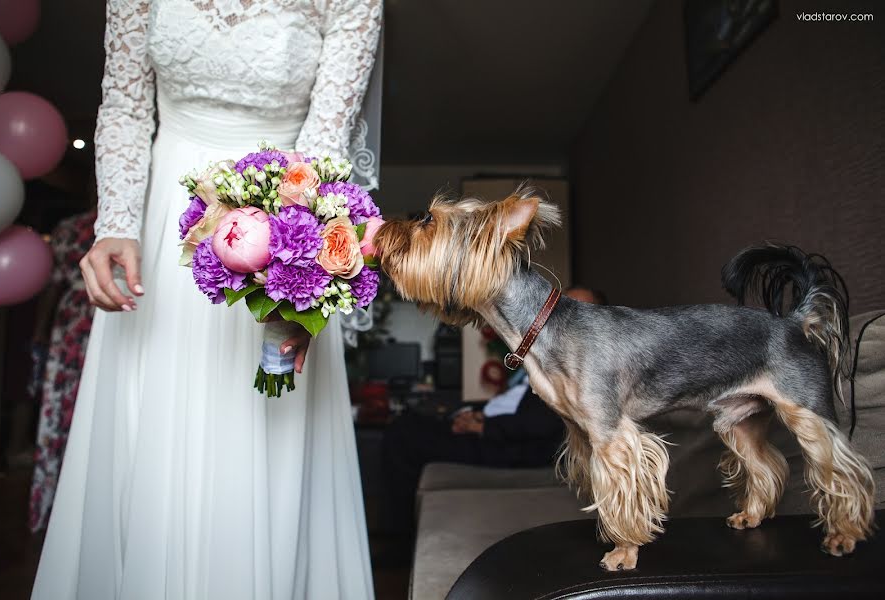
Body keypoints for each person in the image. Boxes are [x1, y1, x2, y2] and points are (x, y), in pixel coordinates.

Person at [32, 2, 382, 599]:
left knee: (261, 432)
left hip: (277, 229)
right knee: (149, 430)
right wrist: (115, 221)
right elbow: (124, 104)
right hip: (163, 231)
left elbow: (327, 139)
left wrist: (298, 282)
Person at [383, 287, 607, 533]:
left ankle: (397, 537)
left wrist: (481, 426)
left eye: (577, 311)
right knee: (411, 420)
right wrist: (478, 415)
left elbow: (543, 423)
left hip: (514, 449)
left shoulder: (581, 364)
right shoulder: (554, 353)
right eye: (561, 307)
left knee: (403, 435)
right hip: (502, 430)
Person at [28, 209, 97, 533]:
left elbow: (53, 288)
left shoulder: (68, 227)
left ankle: (52, 506)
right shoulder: (69, 227)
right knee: (80, 409)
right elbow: (52, 284)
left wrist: (41, 330)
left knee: (62, 411)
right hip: (90, 318)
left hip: (75, 318)